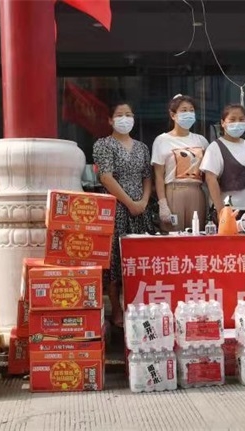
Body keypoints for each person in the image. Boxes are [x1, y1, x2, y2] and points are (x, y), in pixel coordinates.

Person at [93, 101, 153, 327]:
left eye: (129, 114)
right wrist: (129, 203)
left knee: (139, 261)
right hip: (116, 208)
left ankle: (137, 307)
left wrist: (143, 201)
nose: (125, 119)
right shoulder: (104, 145)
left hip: (141, 209)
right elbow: (106, 177)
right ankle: (116, 309)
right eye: (120, 115)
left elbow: (147, 177)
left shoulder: (142, 147)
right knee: (115, 262)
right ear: (110, 120)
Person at [152, 94, 209, 231]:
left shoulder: (201, 140)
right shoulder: (162, 140)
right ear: (173, 115)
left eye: (191, 110)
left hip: (197, 191)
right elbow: (158, 176)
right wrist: (163, 204)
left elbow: (209, 174)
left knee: (197, 233)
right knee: (174, 234)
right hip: (174, 191)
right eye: (184, 110)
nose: (188, 113)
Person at [200, 104, 245, 220]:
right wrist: (221, 210)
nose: (237, 123)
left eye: (241, 119)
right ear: (223, 123)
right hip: (227, 210)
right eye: (232, 119)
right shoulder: (215, 147)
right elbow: (211, 179)